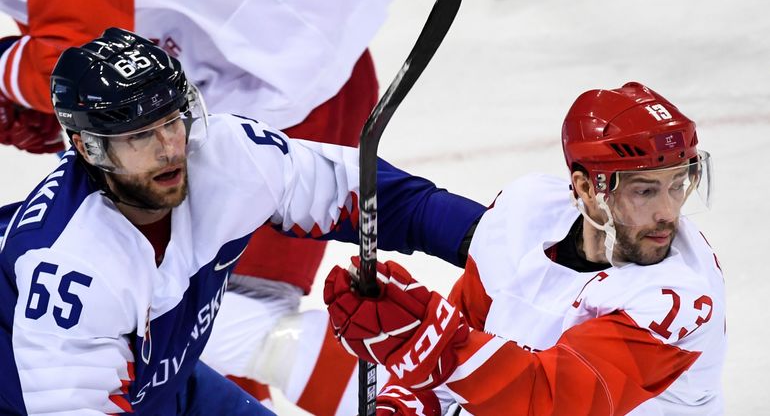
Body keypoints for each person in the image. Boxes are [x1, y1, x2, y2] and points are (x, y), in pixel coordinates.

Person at [0, 28, 485, 415]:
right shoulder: (71, 268)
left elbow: (373, 197)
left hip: (170, 382)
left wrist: (484, 236)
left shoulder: (223, 155)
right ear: (89, 147)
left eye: (173, 120)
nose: (171, 148)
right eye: (142, 135)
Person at [324, 82, 726, 415]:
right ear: (586, 188)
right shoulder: (527, 213)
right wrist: (405, 404)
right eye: (645, 190)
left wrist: (426, 342)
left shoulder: (681, 298)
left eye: (678, 184)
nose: (668, 212)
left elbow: (547, 400)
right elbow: (468, 329)